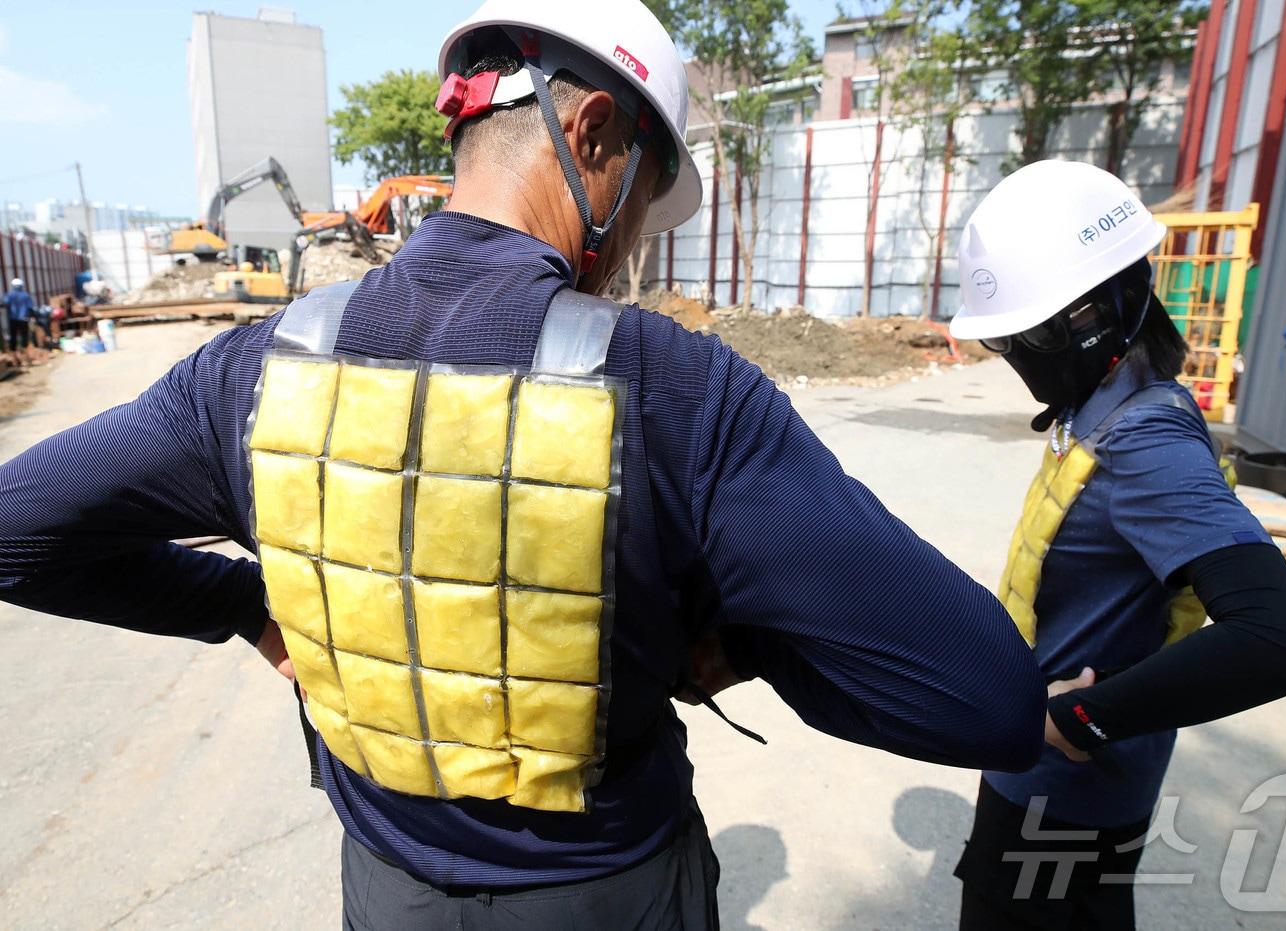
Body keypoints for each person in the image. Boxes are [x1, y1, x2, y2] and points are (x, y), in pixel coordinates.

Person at [0, 2, 1045, 927]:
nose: (632, 237)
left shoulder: (245, 371)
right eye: (641, 198)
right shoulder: (680, 388)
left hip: (385, 889)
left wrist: (244, 602)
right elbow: (985, 700)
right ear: (592, 134)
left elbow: (17, 532)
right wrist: (748, 647)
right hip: (612, 892)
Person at [948, 160, 1286, 930]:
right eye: (1006, 341)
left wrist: (1079, 717)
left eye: (1031, 334)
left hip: (1064, 804)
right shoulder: (1098, 399)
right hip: (1048, 788)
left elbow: (1285, 636)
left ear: (1104, 310)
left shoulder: (1145, 439)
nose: (1019, 355)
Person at [4, 277, 35, 352]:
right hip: (24, 318)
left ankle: (13, 351)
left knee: (13, 335)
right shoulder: (25, 295)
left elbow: (5, 303)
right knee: (24, 335)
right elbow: (30, 307)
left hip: (13, 319)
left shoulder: (9, 295)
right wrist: (32, 316)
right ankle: (24, 351)